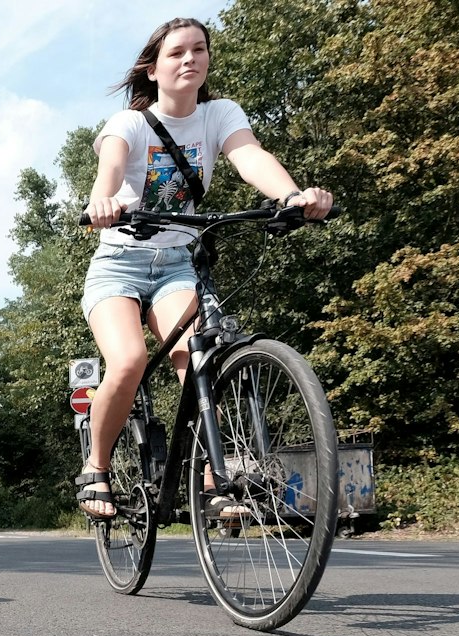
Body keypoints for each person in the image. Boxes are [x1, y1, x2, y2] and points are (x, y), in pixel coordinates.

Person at [77, 17, 333, 519]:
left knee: (199, 361)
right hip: (119, 263)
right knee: (127, 361)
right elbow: (107, 174)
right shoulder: (127, 125)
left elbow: (250, 156)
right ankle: (97, 467)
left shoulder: (220, 114)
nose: (189, 59)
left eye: (199, 49)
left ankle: (216, 478)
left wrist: (292, 196)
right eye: (176, 53)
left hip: (178, 264)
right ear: (152, 69)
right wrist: (102, 203)